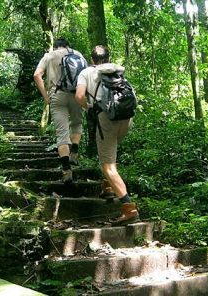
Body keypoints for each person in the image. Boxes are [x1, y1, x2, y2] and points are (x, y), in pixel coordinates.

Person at [75, 45, 139, 226]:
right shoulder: (116, 71)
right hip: (126, 118)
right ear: (108, 57)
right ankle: (108, 187)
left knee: (108, 166)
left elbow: (79, 95)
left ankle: (129, 208)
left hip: (107, 120)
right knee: (110, 154)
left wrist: (87, 107)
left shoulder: (86, 72)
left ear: (91, 59)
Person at [34, 38, 86, 184]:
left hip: (57, 95)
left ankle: (66, 170)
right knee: (77, 123)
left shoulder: (49, 56)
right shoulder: (79, 54)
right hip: (76, 94)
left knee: (62, 132)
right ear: (68, 45)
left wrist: (45, 96)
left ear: (55, 47)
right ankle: (74, 151)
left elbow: (37, 75)